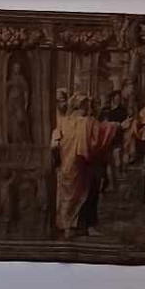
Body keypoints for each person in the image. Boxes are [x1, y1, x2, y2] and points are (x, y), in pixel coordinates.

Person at [51, 94, 119, 238]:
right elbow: (98, 139)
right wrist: (116, 126)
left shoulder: (65, 121)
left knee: (70, 196)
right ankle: (78, 226)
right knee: (83, 194)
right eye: (86, 106)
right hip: (81, 164)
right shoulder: (87, 122)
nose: (89, 109)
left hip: (69, 164)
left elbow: (56, 142)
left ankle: (68, 226)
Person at [6, 61, 31, 144]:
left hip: (19, 102)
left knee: (20, 120)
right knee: (12, 120)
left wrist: (26, 102)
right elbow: (6, 85)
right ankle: (13, 139)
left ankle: (22, 139)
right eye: (15, 67)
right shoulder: (11, 77)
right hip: (11, 101)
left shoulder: (21, 78)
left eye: (18, 67)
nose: (16, 69)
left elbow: (26, 91)